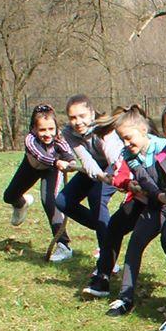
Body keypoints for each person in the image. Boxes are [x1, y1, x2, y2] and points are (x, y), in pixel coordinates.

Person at [98, 105, 166, 316]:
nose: (125, 143)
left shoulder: (164, 148)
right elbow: (142, 177)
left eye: (128, 137)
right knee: (135, 245)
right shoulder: (128, 153)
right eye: (122, 139)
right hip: (153, 203)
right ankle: (125, 298)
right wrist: (152, 192)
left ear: (143, 130)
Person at [1, 105, 76, 260]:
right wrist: (57, 162)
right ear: (34, 129)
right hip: (31, 167)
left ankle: (63, 245)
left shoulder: (59, 138)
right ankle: (21, 203)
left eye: (51, 129)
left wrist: (70, 161)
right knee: (9, 196)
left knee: (50, 203)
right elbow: (40, 156)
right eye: (42, 130)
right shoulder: (30, 140)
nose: (47, 134)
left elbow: (66, 151)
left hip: (51, 171)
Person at [55, 95, 115, 250]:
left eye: (82, 116)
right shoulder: (69, 132)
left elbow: (113, 156)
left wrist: (106, 177)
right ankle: (108, 228)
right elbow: (86, 159)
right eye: (73, 118)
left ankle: (107, 258)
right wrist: (98, 175)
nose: (78, 122)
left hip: (115, 164)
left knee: (96, 196)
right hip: (94, 167)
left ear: (92, 113)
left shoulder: (104, 127)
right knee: (62, 201)